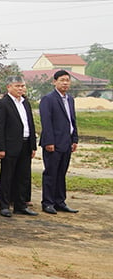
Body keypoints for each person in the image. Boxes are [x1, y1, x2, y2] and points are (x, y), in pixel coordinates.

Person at [0, 77, 38, 217]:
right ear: (9, 87)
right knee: (7, 176)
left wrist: (33, 146)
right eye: (17, 86)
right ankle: (5, 205)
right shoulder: (3, 103)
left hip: (25, 144)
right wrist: (0, 148)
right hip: (10, 145)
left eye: (22, 86)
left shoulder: (25, 103)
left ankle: (20, 205)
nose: (20, 89)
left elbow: (30, 124)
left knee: (23, 176)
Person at [39, 70, 79, 214]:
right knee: (51, 173)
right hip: (53, 143)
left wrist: (74, 139)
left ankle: (60, 201)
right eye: (62, 80)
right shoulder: (48, 99)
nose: (65, 83)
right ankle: (48, 202)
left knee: (62, 173)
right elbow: (46, 122)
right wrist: (49, 141)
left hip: (66, 142)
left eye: (67, 80)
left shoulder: (70, 99)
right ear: (54, 82)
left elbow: (72, 120)